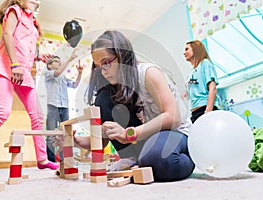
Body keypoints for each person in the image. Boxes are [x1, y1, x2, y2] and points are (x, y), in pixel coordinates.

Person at [76, 30, 195, 182]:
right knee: (103, 98)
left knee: (158, 159)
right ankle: (132, 157)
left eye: (106, 63)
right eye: (99, 67)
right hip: (148, 137)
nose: (103, 71)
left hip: (176, 134)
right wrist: (78, 141)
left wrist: (129, 134)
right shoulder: (115, 87)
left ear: (122, 56)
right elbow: (104, 138)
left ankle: (191, 158)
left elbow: (173, 118)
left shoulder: (148, 73)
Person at [0, 0, 58, 175]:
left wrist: (37, 58)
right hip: (7, 68)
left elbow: (23, 47)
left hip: (24, 72)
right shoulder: (15, 11)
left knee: (37, 115)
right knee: (2, 111)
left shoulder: (33, 23)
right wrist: (15, 64)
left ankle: (42, 159)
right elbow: (7, 35)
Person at [44, 52, 83, 162]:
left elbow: (75, 85)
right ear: (50, 65)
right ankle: (51, 161)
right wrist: (70, 58)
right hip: (52, 106)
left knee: (65, 134)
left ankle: (63, 159)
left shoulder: (63, 78)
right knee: (51, 134)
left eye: (60, 62)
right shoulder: (48, 73)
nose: (59, 64)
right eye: (57, 62)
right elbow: (57, 73)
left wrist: (80, 73)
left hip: (64, 107)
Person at [183, 40, 219, 123]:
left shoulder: (205, 63)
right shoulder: (192, 71)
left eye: (187, 49)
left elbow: (212, 88)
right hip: (195, 112)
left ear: (196, 49)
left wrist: (208, 112)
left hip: (205, 109)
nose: (184, 53)